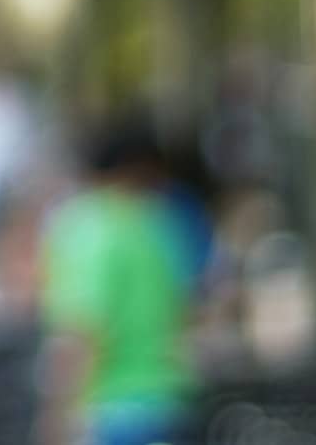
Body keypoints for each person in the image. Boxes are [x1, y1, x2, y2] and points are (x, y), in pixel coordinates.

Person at [37, 113, 199, 445]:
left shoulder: (89, 226)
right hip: (171, 404)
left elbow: (82, 328)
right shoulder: (162, 225)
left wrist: (55, 416)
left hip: (112, 410)